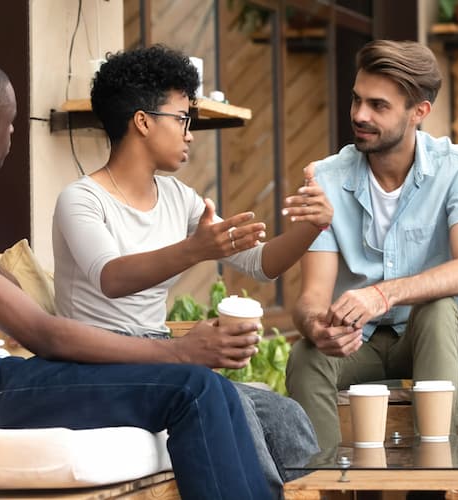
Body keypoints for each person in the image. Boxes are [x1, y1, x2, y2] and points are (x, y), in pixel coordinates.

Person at [0, 56, 272, 500]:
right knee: (193, 389)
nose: (15, 134)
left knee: (215, 392)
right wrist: (178, 351)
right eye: (11, 124)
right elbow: (43, 333)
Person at [51, 45, 327, 499]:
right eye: (182, 118)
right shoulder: (81, 199)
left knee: (283, 413)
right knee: (231, 404)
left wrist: (313, 226)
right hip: (98, 361)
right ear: (142, 121)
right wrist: (195, 249)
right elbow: (111, 277)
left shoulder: (179, 198)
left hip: (159, 354)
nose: (190, 133)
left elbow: (262, 264)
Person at [285, 39, 458, 450]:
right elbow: (311, 298)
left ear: (419, 112)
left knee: (436, 308)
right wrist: (316, 327)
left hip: (431, 339)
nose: (360, 115)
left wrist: (382, 295)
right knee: (306, 357)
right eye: (357, 100)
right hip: (356, 343)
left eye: (378, 106)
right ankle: (327, 488)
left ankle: (432, 485)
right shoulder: (326, 179)